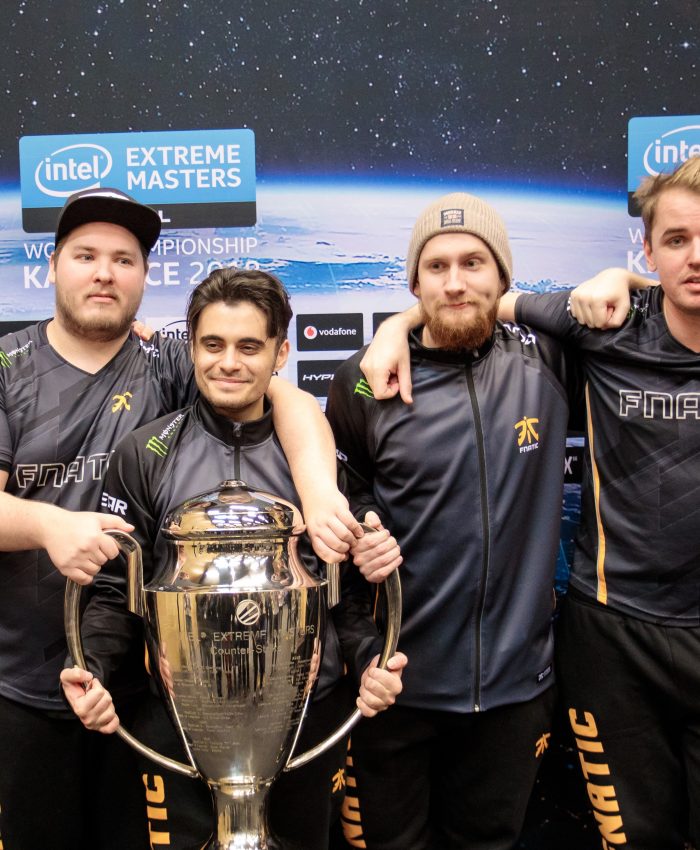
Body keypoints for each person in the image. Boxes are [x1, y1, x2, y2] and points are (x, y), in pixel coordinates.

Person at [0, 188, 363, 850]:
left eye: (124, 260)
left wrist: (317, 493)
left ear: (145, 276)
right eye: (85, 256)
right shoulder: (6, 367)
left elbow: (272, 389)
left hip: (145, 688)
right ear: (50, 266)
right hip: (24, 674)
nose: (105, 273)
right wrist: (50, 526)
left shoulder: (167, 361)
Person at [360, 155, 700, 849]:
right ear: (648, 249)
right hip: (612, 637)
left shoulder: (592, 320)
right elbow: (470, 303)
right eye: (675, 240)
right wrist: (394, 326)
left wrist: (625, 278)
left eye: (472, 261)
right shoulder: (604, 330)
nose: (693, 256)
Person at [61, 267, 407, 850]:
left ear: (280, 353)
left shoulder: (319, 462)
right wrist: (91, 667)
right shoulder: (145, 454)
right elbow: (117, 592)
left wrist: (372, 657)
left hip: (304, 720)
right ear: (192, 348)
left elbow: (341, 592)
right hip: (181, 722)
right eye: (213, 344)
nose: (228, 363)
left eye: (249, 347)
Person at [325, 192, 581, 850]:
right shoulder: (364, 380)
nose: (455, 282)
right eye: (436, 267)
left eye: (473, 263)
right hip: (395, 687)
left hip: (515, 690)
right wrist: (363, 527)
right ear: (414, 282)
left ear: (503, 277)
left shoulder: (548, 361)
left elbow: (639, 313)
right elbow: (338, 494)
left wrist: (399, 320)